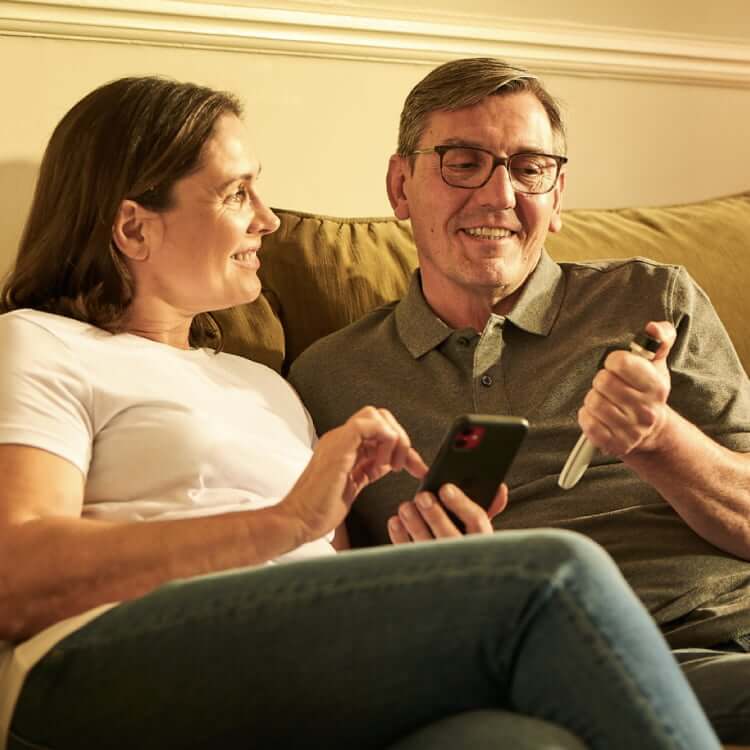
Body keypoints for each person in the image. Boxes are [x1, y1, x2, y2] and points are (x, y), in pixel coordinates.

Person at [0, 76, 725, 750]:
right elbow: (14, 574)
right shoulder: (38, 343)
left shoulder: (270, 384)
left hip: (299, 662)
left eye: (261, 192)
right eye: (236, 194)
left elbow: (336, 581)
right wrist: (280, 525)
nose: (270, 219)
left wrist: (433, 569)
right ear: (133, 229)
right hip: (109, 656)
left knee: (519, 742)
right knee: (555, 574)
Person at [288, 57, 750, 746]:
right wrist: (444, 583)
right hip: (544, 663)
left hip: (728, 629)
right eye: (463, 162)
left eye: (529, 167)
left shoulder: (654, 298)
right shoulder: (330, 376)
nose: (500, 194)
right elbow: (332, 601)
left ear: (557, 193)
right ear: (400, 185)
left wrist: (658, 440)